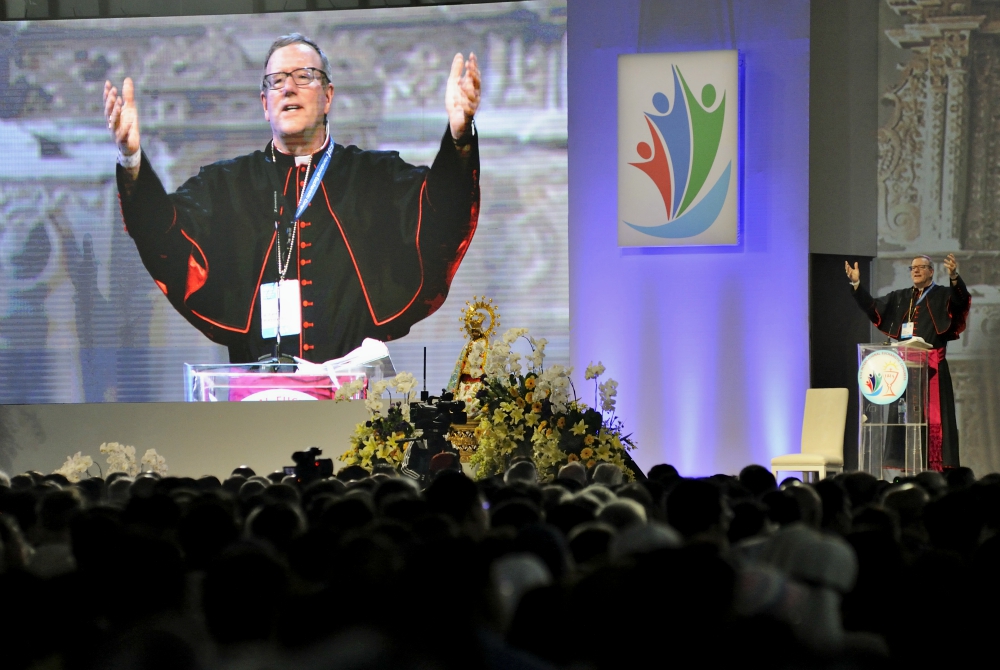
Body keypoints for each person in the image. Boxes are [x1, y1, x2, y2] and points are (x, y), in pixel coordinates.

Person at [102, 33, 481, 363]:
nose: (288, 88)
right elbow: (163, 236)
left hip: (354, 400)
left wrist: (459, 138)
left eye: (304, 77)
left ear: (328, 96)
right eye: (276, 81)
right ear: (265, 103)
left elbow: (442, 215)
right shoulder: (224, 184)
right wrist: (132, 159)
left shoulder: (374, 175)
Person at [845, 254, 970, 470]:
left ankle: (937, 469)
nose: (916, 271)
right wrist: (857, 284)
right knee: (904, 421)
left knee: (937, 421)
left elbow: (960, 302)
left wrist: (954, 277)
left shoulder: (942, 295)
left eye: (921, 267)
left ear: (931, 271)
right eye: (913, 268)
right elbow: (874, 307)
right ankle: (908, 467)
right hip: (906, 371)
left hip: (934, 370)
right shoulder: (902, 297)